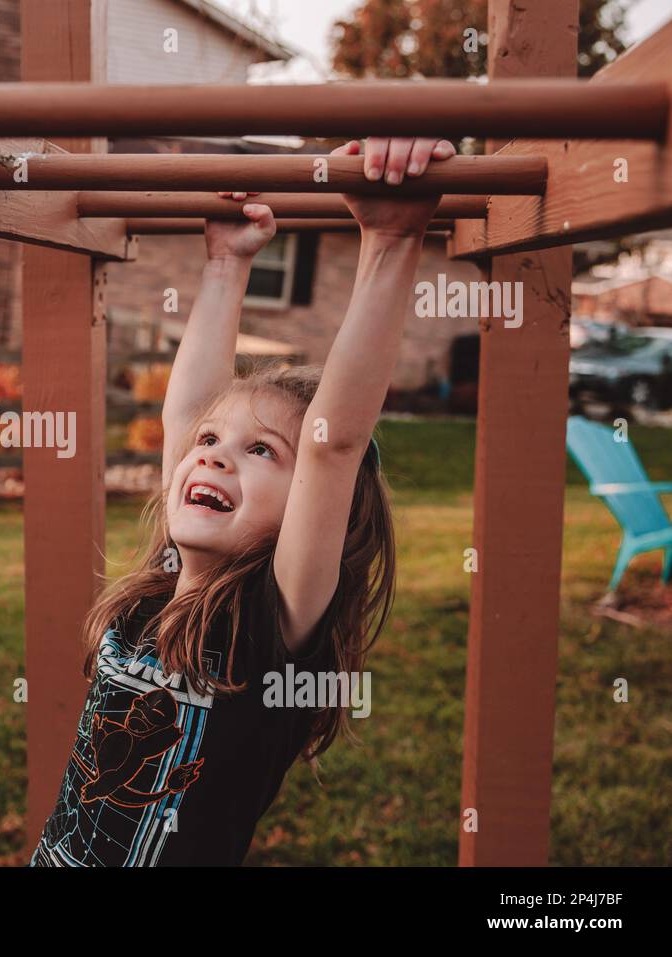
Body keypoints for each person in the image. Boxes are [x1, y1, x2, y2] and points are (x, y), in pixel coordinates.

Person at [30, 136, 457, 867]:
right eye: (213, 441)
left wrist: (391, 238)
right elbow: (185, 413)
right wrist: (226, 262)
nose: (215, 454)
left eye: (262, 451)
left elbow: (333, 443)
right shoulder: (156, 588)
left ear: (316, 513)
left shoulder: (272, 624)